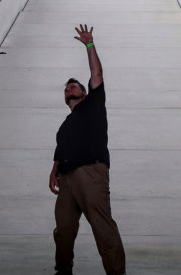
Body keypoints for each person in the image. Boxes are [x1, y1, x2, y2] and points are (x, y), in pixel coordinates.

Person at [49, 24, 126, 275]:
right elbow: (61, 150)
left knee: (102, 227)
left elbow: (96, 73)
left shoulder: (93, 104)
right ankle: (63, 270)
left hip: (91, 172)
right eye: (66, 87)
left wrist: (90, 45)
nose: (69, 88)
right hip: (67, 179)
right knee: (63, 230)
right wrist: (54, 171)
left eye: (74, 85)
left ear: (84, 92)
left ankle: (116, 272)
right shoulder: (65, 125)